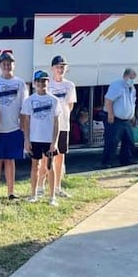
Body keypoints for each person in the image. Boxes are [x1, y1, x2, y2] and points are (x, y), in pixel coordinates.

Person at [0, 52, 28, 200]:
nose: (7, 65)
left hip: (14, 127)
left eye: (9, 63)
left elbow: (24, 107)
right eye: (4, 63)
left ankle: (11, 192)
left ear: (14, 64)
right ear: (0, 65)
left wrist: (23, 127)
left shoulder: (20, 83)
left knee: (10, 161)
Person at [21, 70, 61, 206]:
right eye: (38, 81)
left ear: (47, 82)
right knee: (35, 166)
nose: (41, 84)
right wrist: (26, 139)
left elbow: (56, 122)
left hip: (48, 140)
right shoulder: (29, 101)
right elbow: (25, 121)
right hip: (34, 139)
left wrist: (54, 142)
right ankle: (33, 194)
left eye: (43, 81)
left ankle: (52, 197)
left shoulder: (54, 100)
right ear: (34, 83)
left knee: (50, 167)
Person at [47, 55, 77, 197]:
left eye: (63, 67)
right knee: (45, 157)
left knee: (60, 156)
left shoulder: (70, 85)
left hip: (63, 125)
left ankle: (58, 187)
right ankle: (42, 186)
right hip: (47, 126)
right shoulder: (47, 85)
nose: (60, 69)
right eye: (58, 67)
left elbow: (70, 106)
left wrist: (62, 118)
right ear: (52, 68)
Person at [101, 68, 138, 168]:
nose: (132, 80)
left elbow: (132, 103)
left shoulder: (132, 88)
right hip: (115, 118)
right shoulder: (117, 85)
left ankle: (127, 160)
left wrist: (132, 116)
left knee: (129, 140)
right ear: (125, 76)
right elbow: (108, 100)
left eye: (134, 78)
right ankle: (107, 162)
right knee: (112, 141)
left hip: (126, 119)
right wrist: (110, 114)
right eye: (131, 78)